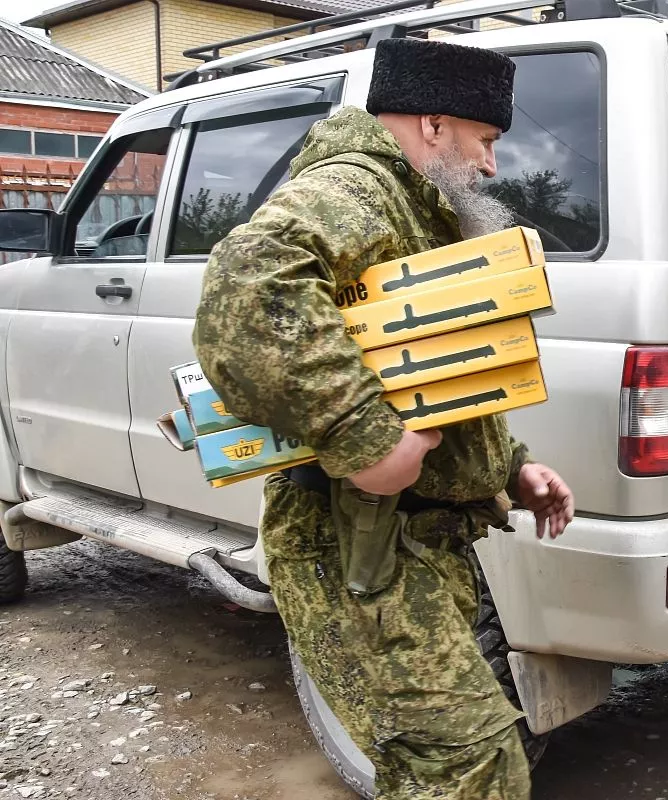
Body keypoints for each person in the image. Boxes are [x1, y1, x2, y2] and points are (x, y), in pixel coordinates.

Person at [192, 38, 574, 800]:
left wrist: (508, 466)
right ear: (434, 125)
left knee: (446, 764)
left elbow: (419, 372)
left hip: (415, 544)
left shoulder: (411, 204)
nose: (493, 166)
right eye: (486, 141)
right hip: (357, 545)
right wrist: (362, 438)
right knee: (472, 767)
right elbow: (245, 290)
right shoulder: (355, 190)